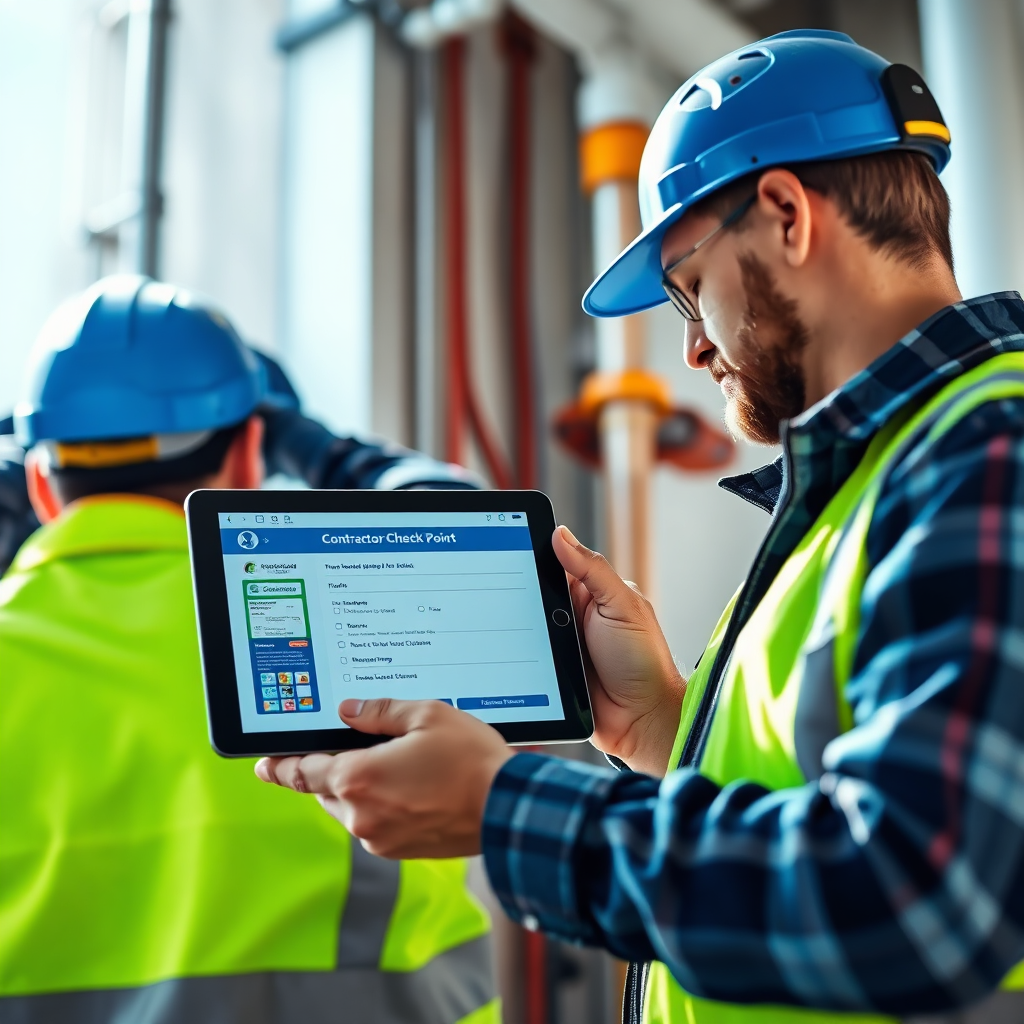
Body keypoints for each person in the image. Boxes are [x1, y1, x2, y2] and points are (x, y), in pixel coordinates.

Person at [257, 29, 1024, 1024]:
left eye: (688, 287)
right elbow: (827, 803)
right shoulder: (887, 475)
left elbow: (922, 899)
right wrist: (662, 725)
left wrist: (505, 809)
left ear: (786, 214)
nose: (694, 346)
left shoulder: (990, 449)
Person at [0, 275, 498, 1024]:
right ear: (247, 459)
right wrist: (316, 446)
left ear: (41, 484)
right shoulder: (365, 617)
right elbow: (468, 531)